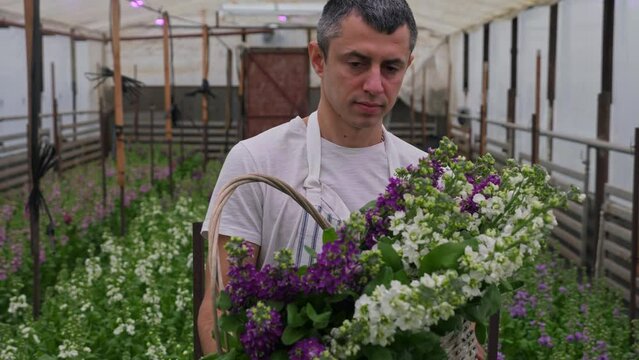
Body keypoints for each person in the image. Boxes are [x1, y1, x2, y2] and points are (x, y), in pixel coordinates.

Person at [198, 1, 484, 358]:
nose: (375, 84)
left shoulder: (429, 177)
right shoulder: (259, 161)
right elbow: (219, 309)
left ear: (408, 67)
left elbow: (463, 330)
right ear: (318, 59)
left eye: (391, 67)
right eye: (357, 63)